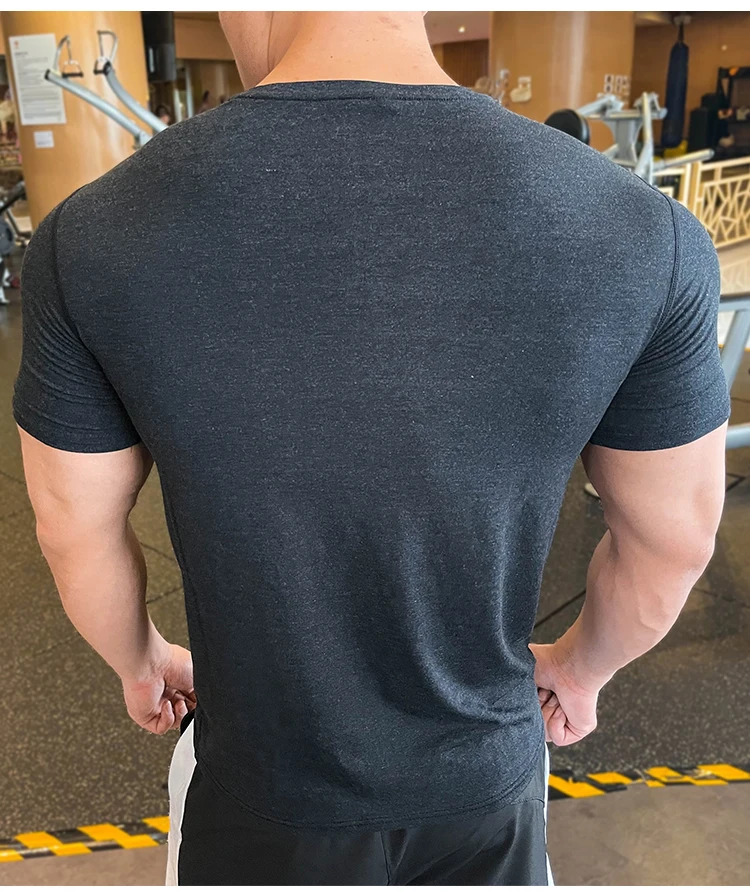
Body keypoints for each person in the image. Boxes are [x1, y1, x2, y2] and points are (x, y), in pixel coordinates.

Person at [14, 10, 729, 887]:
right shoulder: (644, 233)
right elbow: (673, 538)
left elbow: (71, 526)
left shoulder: (89, 236)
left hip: (257, 788)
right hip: (485, 788)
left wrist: (141, 662)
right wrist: (582, 670)